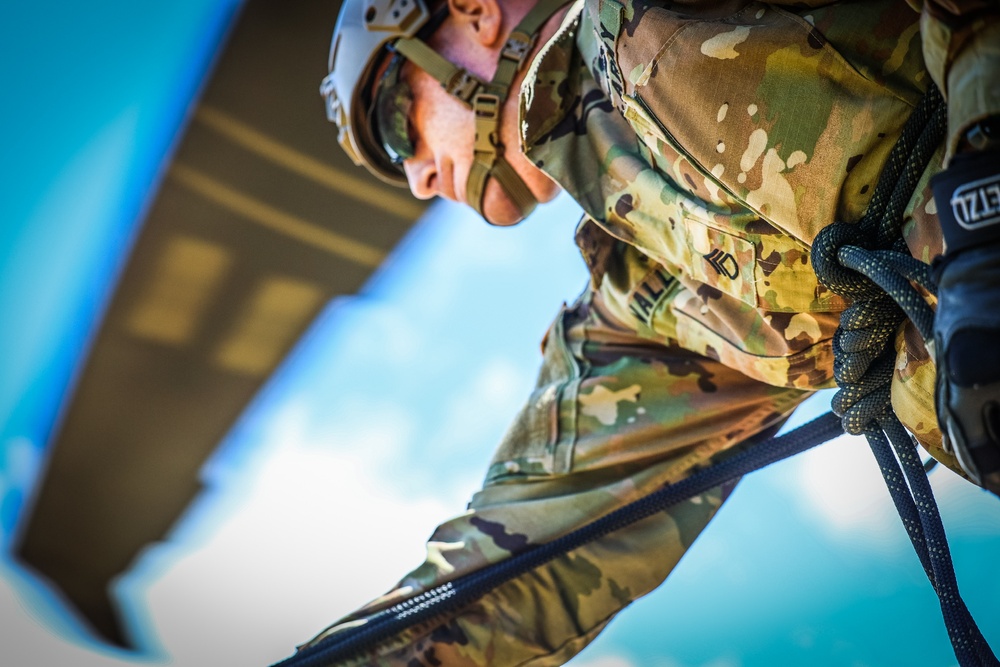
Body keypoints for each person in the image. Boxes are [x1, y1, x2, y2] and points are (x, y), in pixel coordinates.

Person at [300, 0, 1000, 664]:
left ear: (475, 13)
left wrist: (983, 195)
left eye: (396, 121)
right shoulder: (650, 295)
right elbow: (502, 577)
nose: (418, 178)